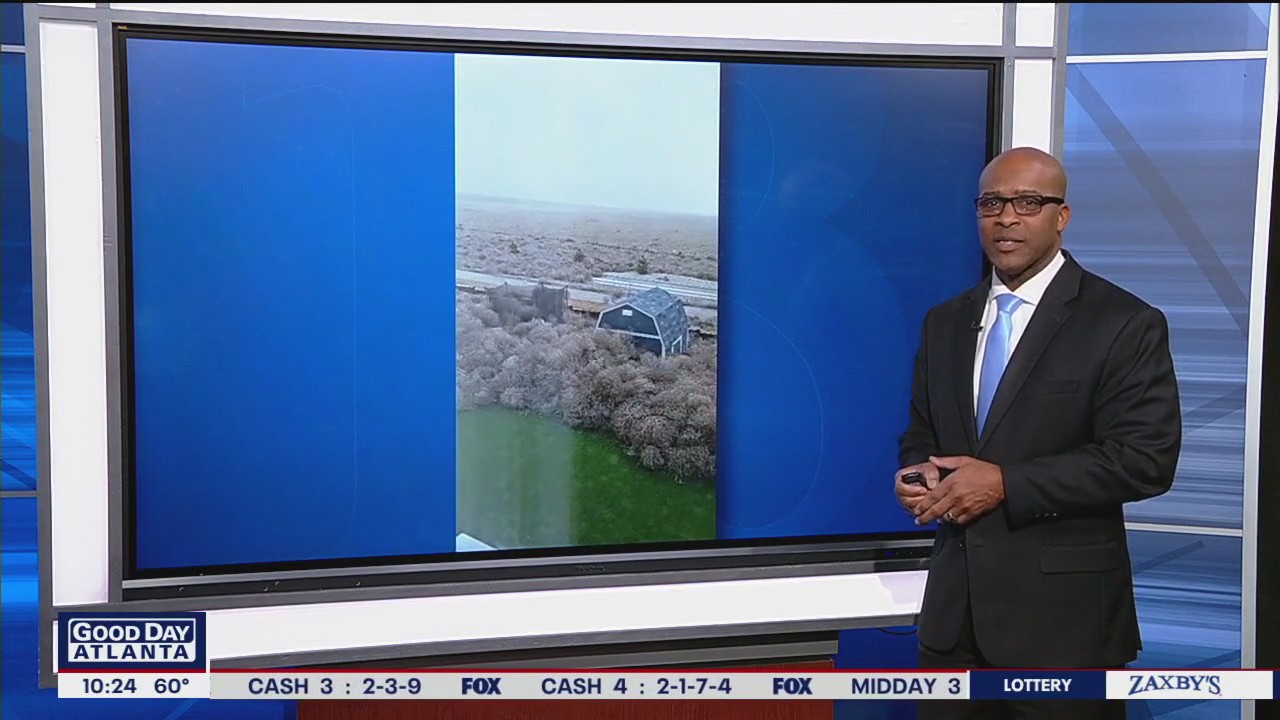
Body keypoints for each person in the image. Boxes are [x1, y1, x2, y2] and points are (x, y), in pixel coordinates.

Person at [895, 147, 1182, 720]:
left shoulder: (1122, 322)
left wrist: (1005, 483)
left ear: (1062, 216)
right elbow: (921, 434)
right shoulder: (946, 321)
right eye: (991, 203)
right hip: (954, 629)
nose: (1006, 218)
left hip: (1063, 632)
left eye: (1028, 202)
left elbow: (1145, 459)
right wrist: (916, 475)